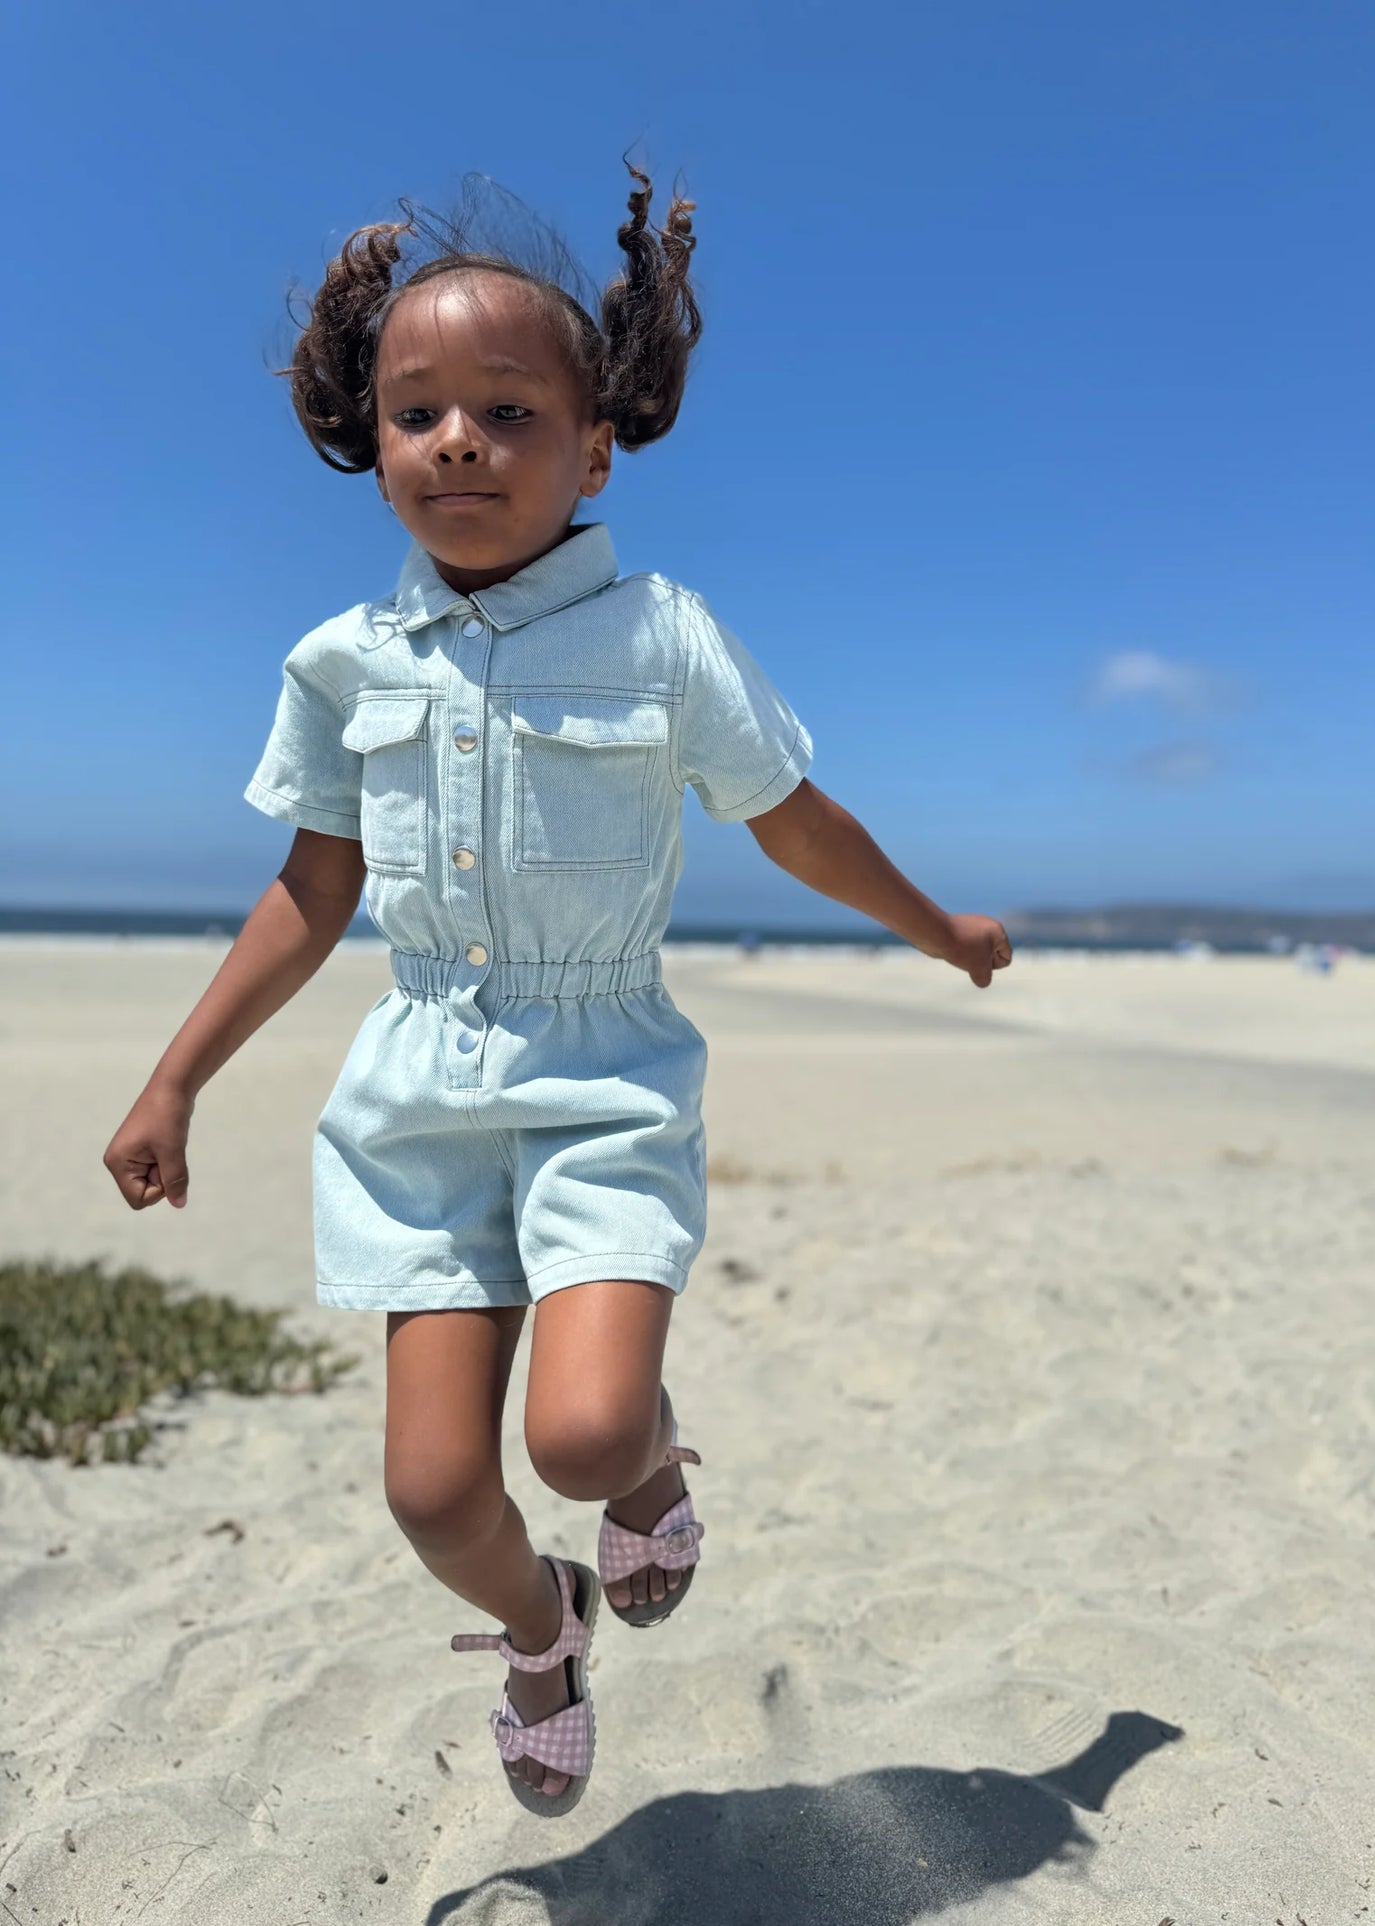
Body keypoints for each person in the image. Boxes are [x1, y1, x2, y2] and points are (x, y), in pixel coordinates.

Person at [103, 163, 1012, 1818]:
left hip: (603, 1082)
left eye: (508, 411)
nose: (458, 441)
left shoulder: (663, 637)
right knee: (433, 1490)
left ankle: (646, 1470)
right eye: (418, 412)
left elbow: (793, 821)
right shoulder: (340, 665)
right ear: (371, 443)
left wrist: (934, 928)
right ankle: (544, 1627)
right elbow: (313, 893)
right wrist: (177, 1078)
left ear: (594, 449)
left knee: (583, 1438)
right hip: (418, 1105)